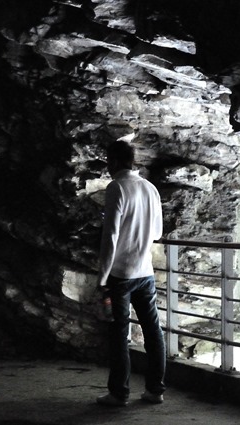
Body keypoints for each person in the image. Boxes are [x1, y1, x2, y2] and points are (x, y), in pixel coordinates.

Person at [96, 141, 166, 406]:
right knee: (153, 331)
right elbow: (157, 232)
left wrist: (102, 277)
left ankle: (118, 393)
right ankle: (155, 390)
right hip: (145, 272)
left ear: (113, 161)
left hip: (121, 274)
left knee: (119, 335)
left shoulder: (116, 188)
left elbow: (110, 235)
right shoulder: (150, 188)